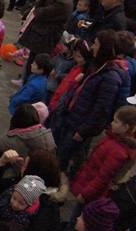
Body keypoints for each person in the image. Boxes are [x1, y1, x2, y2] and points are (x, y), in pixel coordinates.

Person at [55, 30, 130, 171]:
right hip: (74, 116)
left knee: (64, 156)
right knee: (62, 151)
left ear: (104, 48)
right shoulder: (99, 65)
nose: (93, 47)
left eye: (96, 44)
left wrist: (83, 131)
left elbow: (101, 109)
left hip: (80, 124)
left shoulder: (110, 77)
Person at [69, 105, 136, 205]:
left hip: (91, 194)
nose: (111, 123)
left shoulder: (118, 152)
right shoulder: (113, 138)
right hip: (87, 184)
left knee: (81, 215)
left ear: (126, 127)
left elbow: (103, 178)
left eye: (116, 121)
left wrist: (85, 194)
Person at [16, 0, 74, 85]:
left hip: (44, 38)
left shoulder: (64, 2)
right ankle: (25, 84)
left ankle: (27, 86)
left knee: (36, 64)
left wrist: (43, 0)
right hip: (41, 35)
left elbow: (39, 12)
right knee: (31, 62)